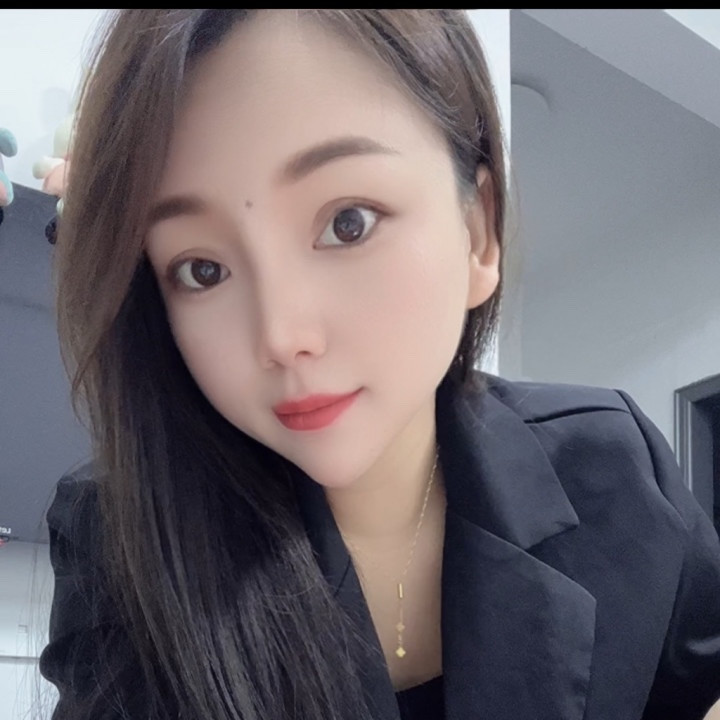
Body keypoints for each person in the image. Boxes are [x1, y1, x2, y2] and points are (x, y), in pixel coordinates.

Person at [37, 9, 720, 720]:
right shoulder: (119, 534)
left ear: (478, 232)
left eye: (348, 223)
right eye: (202, 269)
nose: (281, 336)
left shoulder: (613, 467)